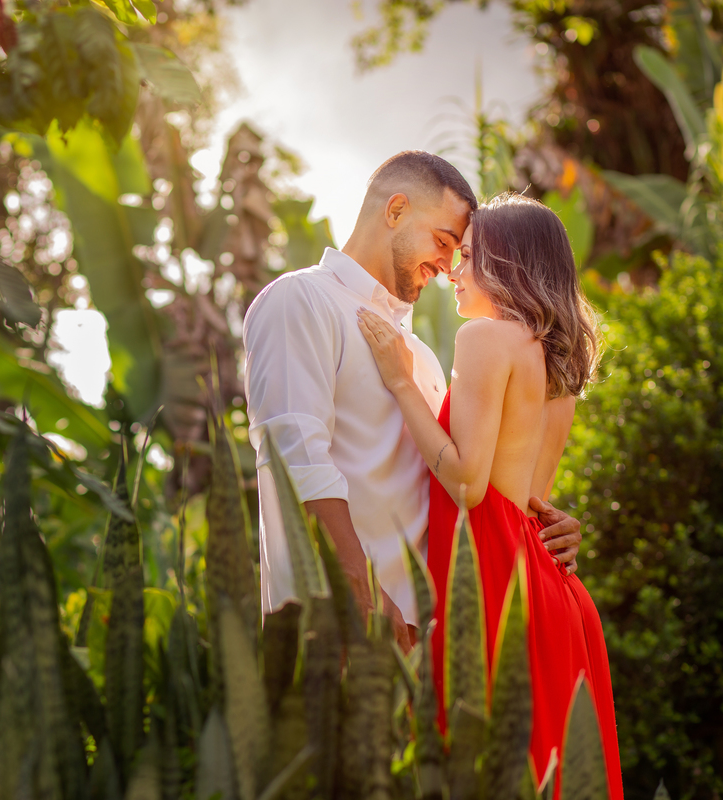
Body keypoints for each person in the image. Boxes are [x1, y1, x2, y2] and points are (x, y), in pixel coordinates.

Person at [243, 151, 583, 653]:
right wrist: (362, 594)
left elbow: (464, 477)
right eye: (445, 243)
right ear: (396, 211)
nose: (449, 268)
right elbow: (295, 456)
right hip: (342, 630)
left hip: (427, 647)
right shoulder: (301, 301)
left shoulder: (418, 356)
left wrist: (542, 529)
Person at [356, 192, 622, 798]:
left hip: (493, 581)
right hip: (553, 591)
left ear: (507, 265)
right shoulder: (557, 366)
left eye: (469, 255)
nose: (452, 269)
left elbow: (470, 484)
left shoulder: (483, 339)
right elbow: (532, 499)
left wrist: (400, 381)